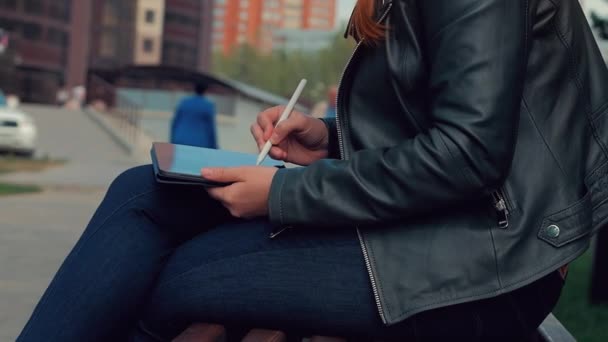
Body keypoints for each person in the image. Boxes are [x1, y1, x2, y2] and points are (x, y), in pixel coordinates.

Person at [17, 0, 608, 340]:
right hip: (451, 221)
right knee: (140, 192)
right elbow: (436, 117)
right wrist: (328, 139)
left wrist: (285, 195)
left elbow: (469, 154)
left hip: (494, 252)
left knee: (180, 281)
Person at [170, 82, 218, 149]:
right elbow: (211, 128)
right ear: (206, 91)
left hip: (180, 139)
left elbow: (175, 123)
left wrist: (172, 139)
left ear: (194, 89)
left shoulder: (184, 102)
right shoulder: (208, 106)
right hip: (199, 142)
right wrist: (214, 147)